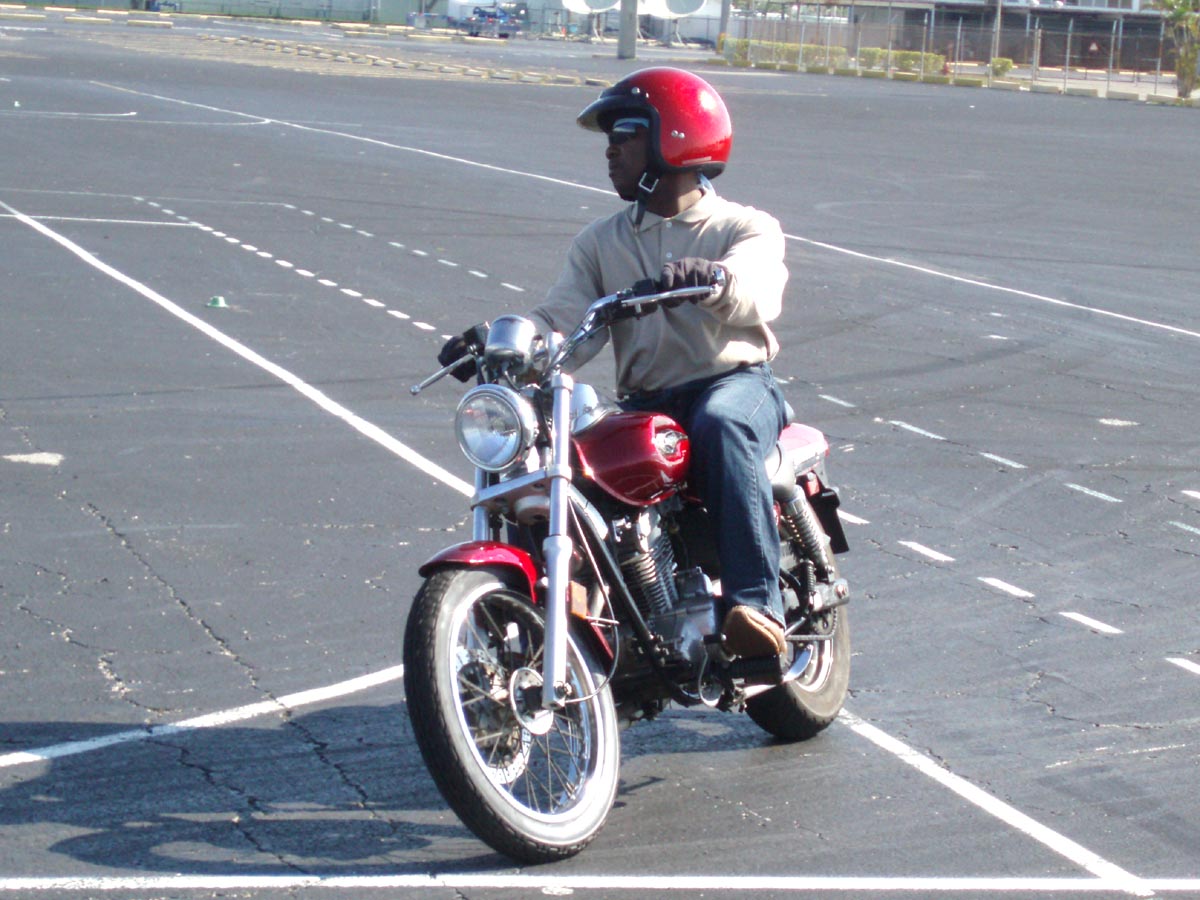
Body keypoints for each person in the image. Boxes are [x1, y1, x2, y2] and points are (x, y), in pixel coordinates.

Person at [442, 67, 790, 659]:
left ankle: (757, 607)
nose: (610, 150)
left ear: (677, 136)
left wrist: (716, 279)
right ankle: (592, 620)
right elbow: (562, 321)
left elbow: (757, 286)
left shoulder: (743, 226)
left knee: (723, 424)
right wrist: (503, 342)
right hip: (648, 401)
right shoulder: (601, 242)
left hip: (733, 383)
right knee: (567, 459)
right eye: (609, 138)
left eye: (625, 134)